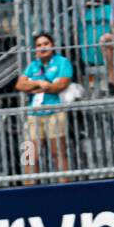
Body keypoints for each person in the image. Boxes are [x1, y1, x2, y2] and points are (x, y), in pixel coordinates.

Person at [15, 31, 73, 178]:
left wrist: (35, 86)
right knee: (28, 156)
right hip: (33, 114)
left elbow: (61, 85)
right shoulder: (33, 65)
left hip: (55, 112)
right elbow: (20, 85)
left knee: (57, 153)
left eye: (45, 44)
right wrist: (39, 83)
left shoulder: (62, 62)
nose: (42, 47)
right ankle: (28, 191)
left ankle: (65, 189)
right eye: (39, 45)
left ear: (52, 45)